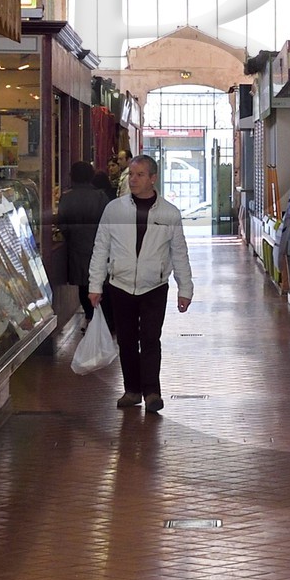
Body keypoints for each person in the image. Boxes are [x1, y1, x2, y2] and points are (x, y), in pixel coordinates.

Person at [87, 154, 193, 411]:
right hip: (120, 285)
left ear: (153, 179)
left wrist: (185, 288)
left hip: (154, 286)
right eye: (132, 174)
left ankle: (152, 392)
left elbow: (179, 252)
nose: (133, 179)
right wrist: (95, 284)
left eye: (140, 175)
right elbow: (101, 246)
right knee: (126, 339)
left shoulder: (169, 213)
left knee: (150, 338)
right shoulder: (115, 209)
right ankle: (132, 390)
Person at [55, 160, 113, 320]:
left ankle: (90, 316)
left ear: (72, 177)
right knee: (102, 283)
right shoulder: (100, 197)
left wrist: (72, 236)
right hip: (100, 247)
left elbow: (62, 224)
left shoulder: (66, 198)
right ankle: (104, 321)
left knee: (83, 284)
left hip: (77, 248)